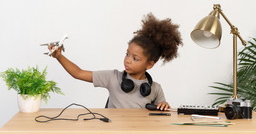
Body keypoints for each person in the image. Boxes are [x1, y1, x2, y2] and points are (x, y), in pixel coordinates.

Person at [49, 13, 182, 110]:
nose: (128, 60)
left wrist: (165, 106)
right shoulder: (113, 77)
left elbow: (163, 110)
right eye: (127, 54)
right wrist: (59, 56)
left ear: (149, 64)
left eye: (135, 58)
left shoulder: (155, 88)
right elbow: (78, 73)